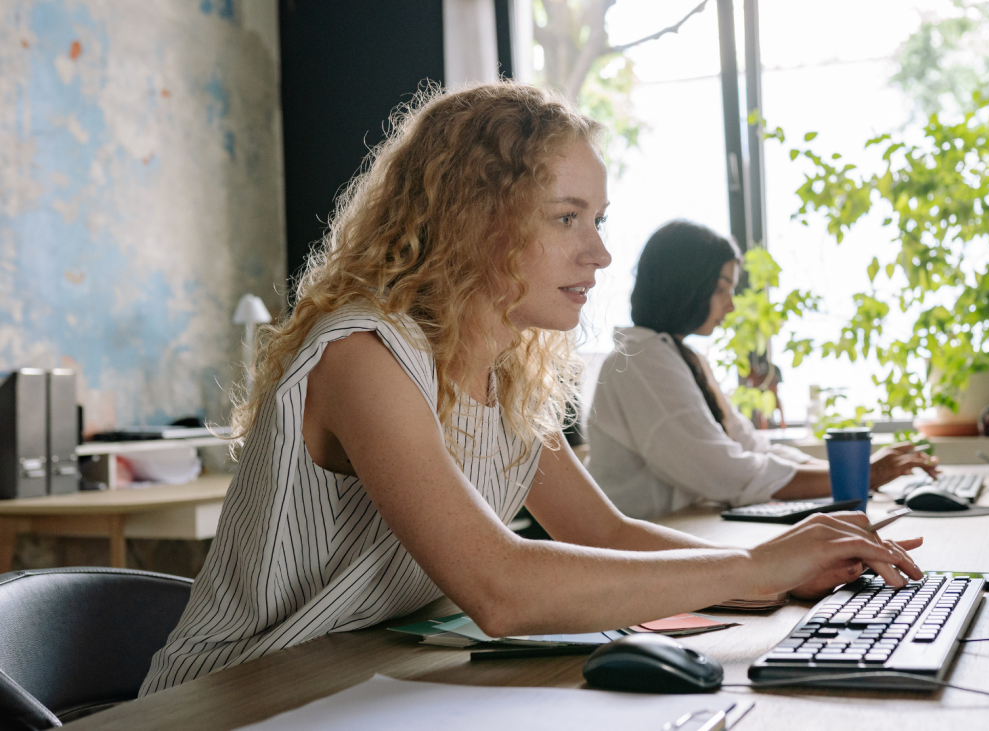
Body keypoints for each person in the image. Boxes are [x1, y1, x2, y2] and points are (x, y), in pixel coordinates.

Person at [140, 83, 923, 695]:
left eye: (600, 218)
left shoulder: (508, 371)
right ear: (473, 218)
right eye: (566, 218)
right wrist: (752, 569)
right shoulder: (363, 356)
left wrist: (776, 566)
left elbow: (607, 535)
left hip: (352, 680)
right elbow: (501, 587)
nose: (601, 254)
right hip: (228, 699)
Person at [585, 221, 939, 520]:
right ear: (686, 284)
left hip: (688, 530)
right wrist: (861, 476)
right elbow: (725, 473)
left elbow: (749, 445)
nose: (731, 304)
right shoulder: (640, 362)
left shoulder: (678, 356)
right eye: (722, 288)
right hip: (651, 549)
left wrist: (857, 476)